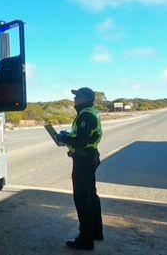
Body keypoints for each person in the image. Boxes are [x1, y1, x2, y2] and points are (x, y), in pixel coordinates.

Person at [56, 87, 104, 250]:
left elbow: (81, 141)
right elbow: (81, 137)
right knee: (91, 195)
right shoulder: (90, 112)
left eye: (78, 96)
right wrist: (68, 136)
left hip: (84, 161)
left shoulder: (86, 115)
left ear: (85, 99)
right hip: (89, 158)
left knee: (82, 200)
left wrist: (63, 137)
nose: (75, 99)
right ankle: (96, 232)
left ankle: (85, 240)